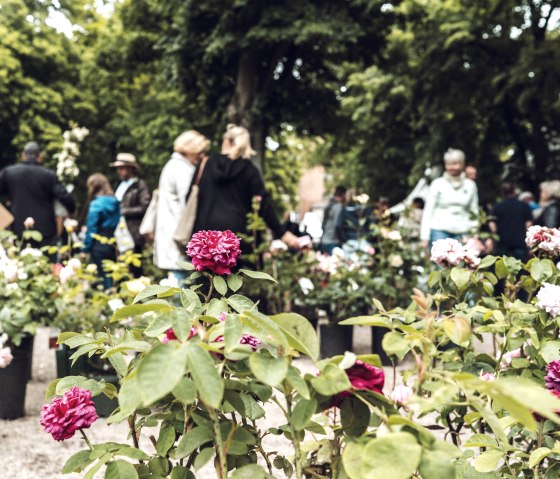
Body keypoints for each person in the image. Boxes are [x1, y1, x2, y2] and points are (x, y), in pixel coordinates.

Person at [192, 124, 300, 259]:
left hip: (205, 235)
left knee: (206, 278)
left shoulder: (205, 165)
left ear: (225, 141)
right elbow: (263, 206)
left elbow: (190, 199)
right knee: (238, 279)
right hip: (238, 238)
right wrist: (282, 234)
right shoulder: (249, 171)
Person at [154, 130, 210, 281]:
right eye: (199, 151)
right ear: (190, 148)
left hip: (173, 232)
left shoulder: (173, 166)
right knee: (181, 286)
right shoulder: (182, 169)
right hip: (179, 234)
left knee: (177, 282)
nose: (201, 155)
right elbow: (188, 204)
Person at [0, 141, 75, 246]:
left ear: (23, 155)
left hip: (18, 228)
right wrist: (72, 210)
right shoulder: (49, 175)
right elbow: (65, 197)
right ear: (40, 156)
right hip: (46, 232)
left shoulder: (9, 173)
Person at [420, 148, 479, 248]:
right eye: (449, 164)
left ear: (462, 164)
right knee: (441, 263)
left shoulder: (470, 185)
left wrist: (474, 234)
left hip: (462, 231)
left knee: (460, 263)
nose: (452, 167)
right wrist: (424, 236)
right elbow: (428, 210)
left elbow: (474, 210)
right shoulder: (437, 184)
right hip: (439, 230)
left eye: (455, 163)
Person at [110, 153, 151, 277]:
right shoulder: (118, 185)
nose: (119, 171)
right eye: (118, 168)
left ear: (131, 168)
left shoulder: (139, 185)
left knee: (134, 265)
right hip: (119, 230)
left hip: (133, 231)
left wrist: (124, 211)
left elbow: (144, 207)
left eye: (122, 168)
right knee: (120, 263)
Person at [83, 174, 120, 289]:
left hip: (98, 242)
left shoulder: (96, 204)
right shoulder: (115, 202)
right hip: (113, 241)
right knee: (111, 274)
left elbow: (92, 228)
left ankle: (107, 303)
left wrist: (85, 248)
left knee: (101, 278)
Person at [489, 182, 532, 261]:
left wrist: (493, 237)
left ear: (502, 192)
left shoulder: (497, 206)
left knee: (503, 268)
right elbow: (528, 225)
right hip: (520, 242)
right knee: (520, 267)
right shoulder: (524, 206)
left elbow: (492, 225)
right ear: (514, 191)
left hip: (502, 242)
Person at [319, 185, 346, 254]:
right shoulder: (338, 207)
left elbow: (323, 225)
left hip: (324, 241)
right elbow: (338, 225)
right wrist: (343, 239)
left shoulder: (329, 205)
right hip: (333, 243)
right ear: (343, 194)